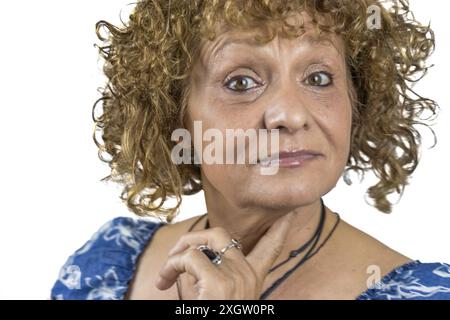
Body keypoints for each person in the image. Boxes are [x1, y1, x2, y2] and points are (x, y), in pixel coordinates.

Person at [51, 0, 450, 300]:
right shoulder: (104, 270)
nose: (291, 115)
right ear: (172, 116)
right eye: (241, 82)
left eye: (319, 77)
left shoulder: (424, 292)